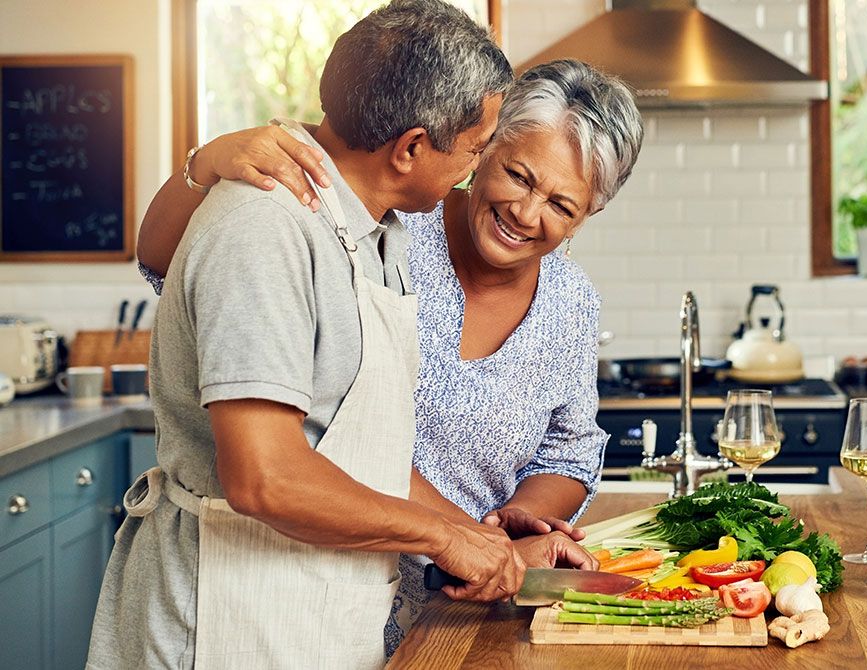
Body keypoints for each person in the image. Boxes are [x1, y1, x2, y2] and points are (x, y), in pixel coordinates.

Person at [84, 3, 570, 668]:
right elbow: (266, 478)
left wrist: (483, 543)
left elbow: (355, 449)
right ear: (411, 147)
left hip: (310, 608)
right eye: (477, 149)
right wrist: (438, 537)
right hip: (227, 620)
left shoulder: (377, 230)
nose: (474, 169)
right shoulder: (265, 229)